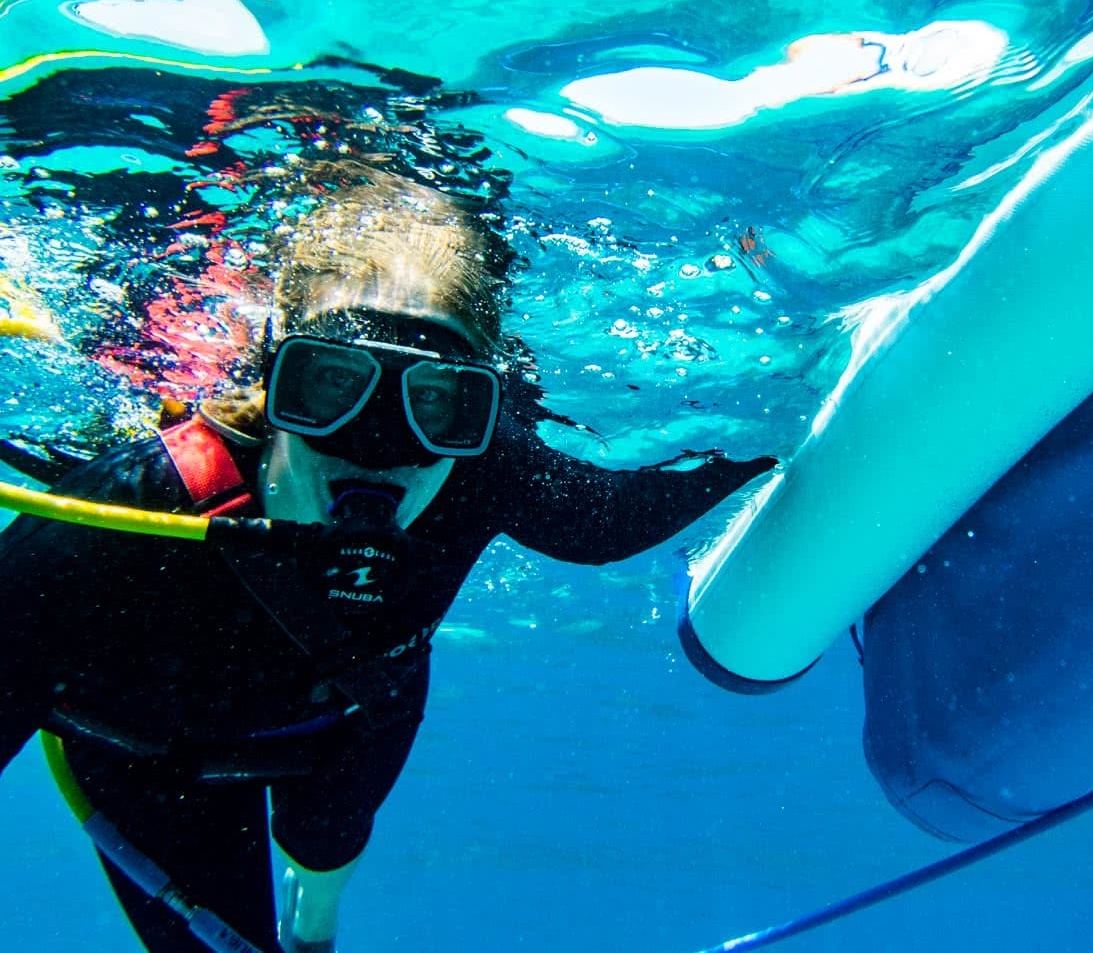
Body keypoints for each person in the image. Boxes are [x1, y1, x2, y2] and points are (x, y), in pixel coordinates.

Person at [0, 161, 775, 953]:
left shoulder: (492, 475)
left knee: (325, 843)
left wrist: (779, 440)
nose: (377, 447)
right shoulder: (117, 522)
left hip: (352, 724)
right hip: (145, 759)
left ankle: (316, 929)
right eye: (333, 385)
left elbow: (653, 499)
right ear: (273, 380)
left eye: (436, 400)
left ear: (484, 406)